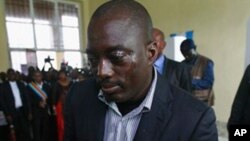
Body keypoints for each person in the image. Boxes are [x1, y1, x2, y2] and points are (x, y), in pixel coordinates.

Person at [64, 1, 218, 141]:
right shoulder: (77, 97)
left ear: (150, 54)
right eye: (93, 59)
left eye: (117, 57)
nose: (101, 72)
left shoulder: (195, 120)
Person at [153, 28, 192, 92]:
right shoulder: (140, 68)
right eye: (146, 43)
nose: (150, 47)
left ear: (163, 45)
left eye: (154, 43)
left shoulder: (181, 69)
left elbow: (187, 97)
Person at [180, 39, 215, 106]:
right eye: (183, 53)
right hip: (186, 101)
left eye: (188, 53)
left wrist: (190, 82)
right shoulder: (182, 64)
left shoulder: (206, 62)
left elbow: (208, 83)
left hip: (203, 102)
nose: (186, 56)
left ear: (194, 48)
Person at [0, 68, 32, 141]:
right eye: (10, 74)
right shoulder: (3, 86)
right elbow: (2, 102)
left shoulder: (20, 84)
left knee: (26, 131)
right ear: (7, 75)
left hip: (22, 111)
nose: (12, 75)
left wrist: (29, 112)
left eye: (13, 74)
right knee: (16, 132)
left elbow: (27, 99)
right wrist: (7, 114)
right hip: (11, 112)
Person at [26, 70, 52, 141]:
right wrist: (38, 103)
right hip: (35, 112)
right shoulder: (29, 87)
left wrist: (47, 103)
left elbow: (51, 99)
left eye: (39, 76)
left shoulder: (47, 86)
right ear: (33, 77)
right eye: (36, 76)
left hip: (45, 111)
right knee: (36, 130)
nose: (38, 78)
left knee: (45, 130)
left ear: (42, 76)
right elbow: (28, 100)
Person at [53, 70, 72, 141]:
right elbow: (54, 95)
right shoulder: (57, 84)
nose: (61, 76)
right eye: (60, 74)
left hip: (70, 105)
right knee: (61, 124)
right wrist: (53, 106)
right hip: (60, 105)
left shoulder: (71, 83)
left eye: (63, 74)